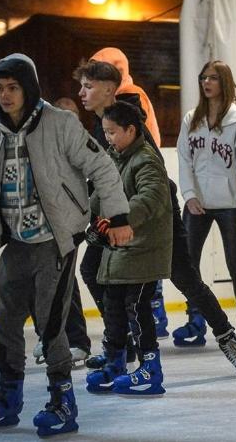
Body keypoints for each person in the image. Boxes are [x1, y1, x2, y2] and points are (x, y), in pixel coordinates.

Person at [0, 53, 133, 436]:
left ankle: (62, 401)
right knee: (6, 323)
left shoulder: (60, 124)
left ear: (29, 87)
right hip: (15, 242)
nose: (5, 96)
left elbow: (102, 167)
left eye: (13, 88)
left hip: (55, 240)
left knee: (50, 324)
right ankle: (8, 398)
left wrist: (119, 217)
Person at [74, 60, 236, 375]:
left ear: (107, 89)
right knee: (94, 270)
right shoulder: (101, 125)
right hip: (119, 218)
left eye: (88, 86)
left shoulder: (129, 124)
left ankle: (228, 338)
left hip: (155, 219)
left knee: (185, 279)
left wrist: (122, 218)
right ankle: (118, 344)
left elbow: (151, 183)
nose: (82, 93)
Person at [177, 60, 236, 342]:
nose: (206, 82)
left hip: (228, 202)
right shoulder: (192, 118)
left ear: (224, 82)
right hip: (197, 204)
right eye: (203, 77)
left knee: (234, 261)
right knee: (187, 264)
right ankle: (195, 319)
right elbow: (184, 160)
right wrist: (189, 196)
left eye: (213, 78)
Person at [85, 101, 171, 396]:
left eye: (111, 132)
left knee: (138, 309)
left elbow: (150, 199)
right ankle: (115, 361)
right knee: (113, 305)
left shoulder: (146, 160)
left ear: (130, 130)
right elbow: (99, 195)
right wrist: (88, 218)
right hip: (120, 248)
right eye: (105, 132)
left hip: (143, 249)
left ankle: (151, 368)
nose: (107, 138)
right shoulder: (116, 157)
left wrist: (119, 218)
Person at [91, 47, 169, 335]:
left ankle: (136, 322)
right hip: (128, 191)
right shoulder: (113, 107)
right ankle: (128, 326)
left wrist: (121, 214)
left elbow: (143, 150)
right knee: (110, 264)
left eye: (93, 79)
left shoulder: (128, 102)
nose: (86, 89)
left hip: (137, 191)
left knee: (141, 256)